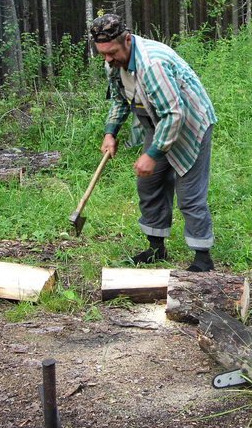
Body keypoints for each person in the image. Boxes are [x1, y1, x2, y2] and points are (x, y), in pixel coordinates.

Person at [91, 14, 217, 272]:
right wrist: (110, 132)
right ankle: (156, 248)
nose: (108, 59)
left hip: (190, 123)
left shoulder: (152, 64)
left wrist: (152, 153)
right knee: (149, 183)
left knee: (189, 194)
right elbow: (119, 100)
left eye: (112, 52)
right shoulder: (114, 62)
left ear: (128, 39)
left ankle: (202, 258)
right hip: (158, 122)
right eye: (103, 53)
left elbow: (174, 114)